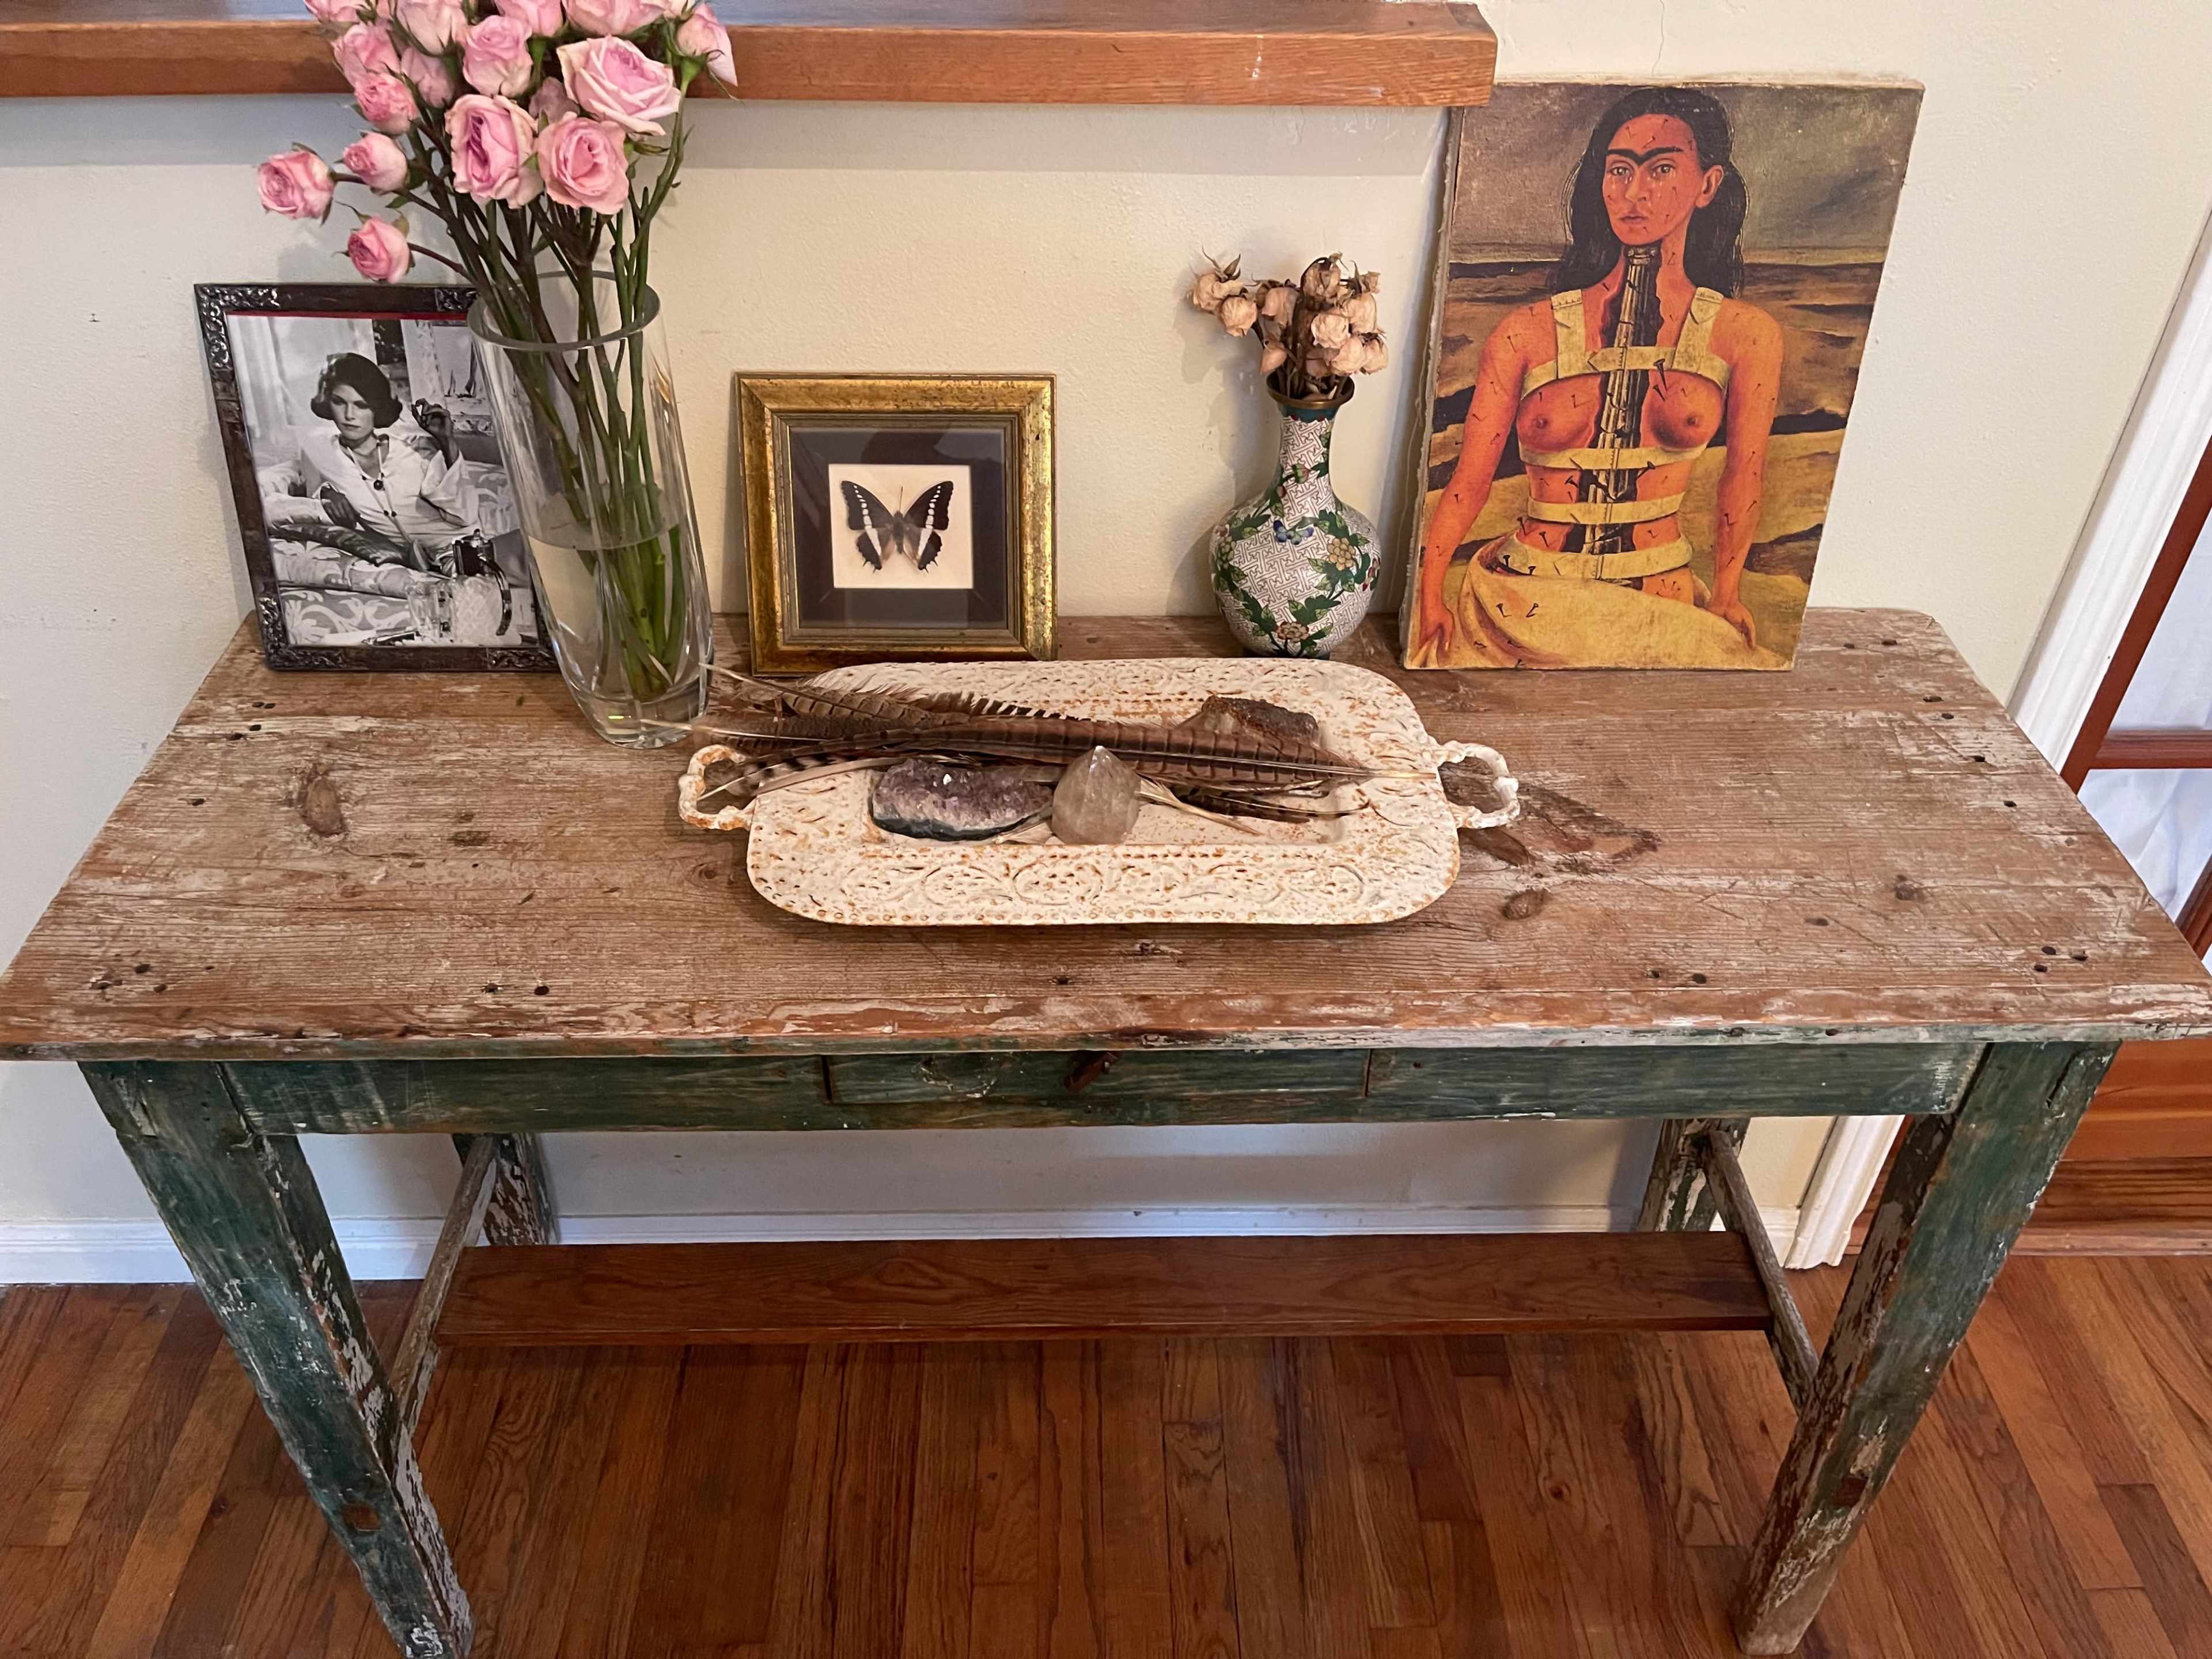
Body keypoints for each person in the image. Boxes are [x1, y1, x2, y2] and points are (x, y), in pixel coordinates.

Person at [1406, 87, 1785, 669]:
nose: (1634, 193)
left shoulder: (1746, 334)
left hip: (1661, 607)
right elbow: (1469, 481)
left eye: (1661, 169)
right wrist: (1428, 592)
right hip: (1520, 603)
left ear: (1707, 185)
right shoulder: (1524, 332)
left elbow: (1744, 478)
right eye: (1620, 170)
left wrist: (1728, 592)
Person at [258, 352, 478, 566]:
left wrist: (447, 441)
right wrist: (326, 494)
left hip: (463, 549)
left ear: (376, 409)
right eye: (339, 402)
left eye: (361, 405)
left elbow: (465, 516)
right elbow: (286, 506)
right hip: (415, 563)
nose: (349, 415)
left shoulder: (414, 450)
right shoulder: (319, 453)